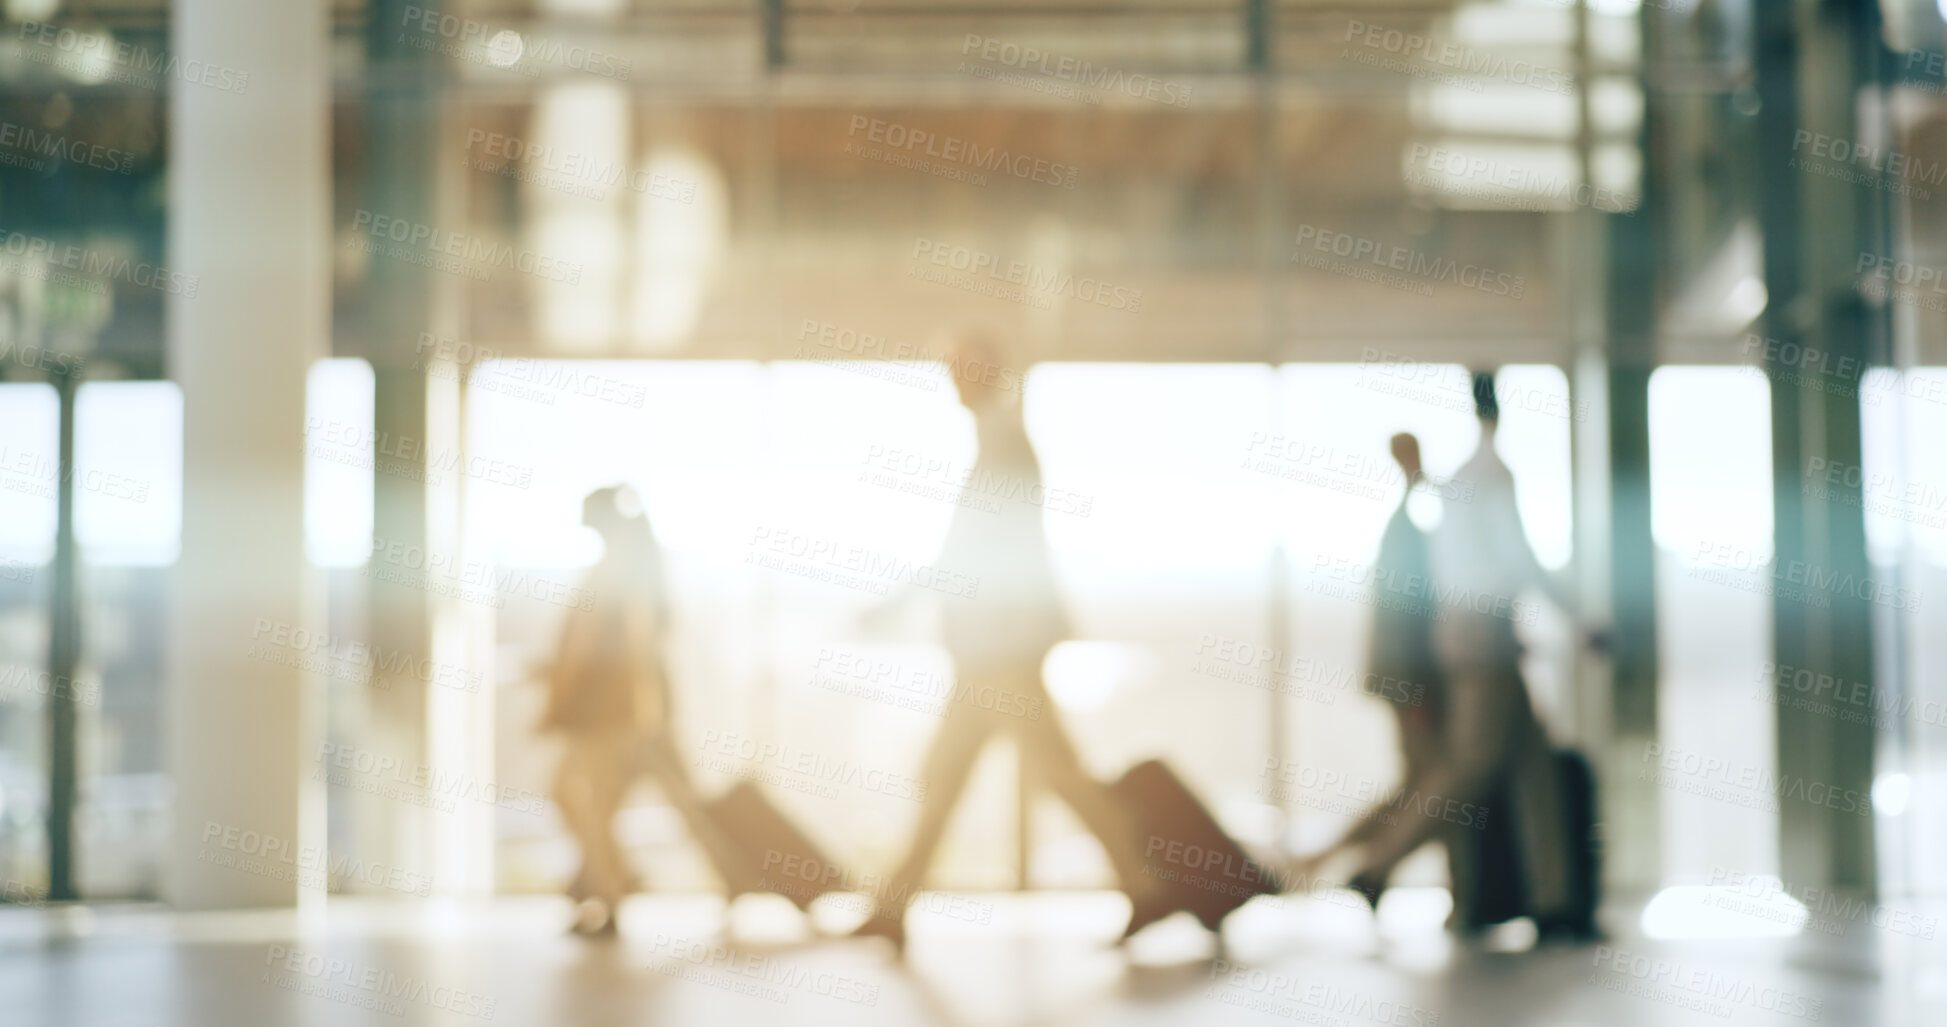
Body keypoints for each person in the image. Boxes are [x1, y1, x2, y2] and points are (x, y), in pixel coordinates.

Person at [853, 334, 1163, 951]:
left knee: (1050, 775)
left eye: (957, 370)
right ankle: (895, 904)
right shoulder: (999, 442)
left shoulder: (1001, 444)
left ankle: (1145, 881)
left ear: (981, 374)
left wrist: (897, 604)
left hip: (1002, 652)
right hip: (989, 652)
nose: (950, 382)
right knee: (954, 776)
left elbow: (972, 555)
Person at [1339, 373, 1584, 934]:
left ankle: (1555, 902)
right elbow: (1516, 562)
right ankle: (1377, 867)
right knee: (1470, 766)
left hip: (1480, 635)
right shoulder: (1485, 477)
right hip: (1482, 640)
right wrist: (1577, 618)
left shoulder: (1452, 489)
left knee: (1534, 766)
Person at [542, 485, 757, 935]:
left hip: (611, 715)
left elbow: (610, 651)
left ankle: (612, 894)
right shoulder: (626, 568)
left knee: (598, 802)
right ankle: (620, 881)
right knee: (660, 800)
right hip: (626, 712)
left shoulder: (621, 573)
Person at [1296, 434, 1447, 876]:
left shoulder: (1404, 526)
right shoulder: (1404, 531)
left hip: (1404, 682)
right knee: (1432, 787)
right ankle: (1360, 866)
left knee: (1416, 786)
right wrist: (1415, 693)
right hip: (1409, 683)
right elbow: (1403, 620)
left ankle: (1338, 861)